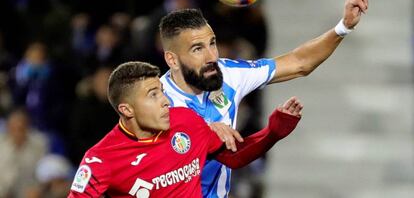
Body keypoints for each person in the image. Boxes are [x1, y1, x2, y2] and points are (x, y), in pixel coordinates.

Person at [158, 0, 368, 197]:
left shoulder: (230, 74)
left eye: (212, 43)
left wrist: (343, 27)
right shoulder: (154, 102)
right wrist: (202, 131)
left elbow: (299, 63)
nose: (211, 56)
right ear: (172, 60)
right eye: (197, 49)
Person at [68, 61, 302, 197]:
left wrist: (273, 132)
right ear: (127, 109)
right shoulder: (100, 160)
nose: (165, 100)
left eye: (161, 90)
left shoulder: (186, 121)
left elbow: (234, 155)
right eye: (153, 95)